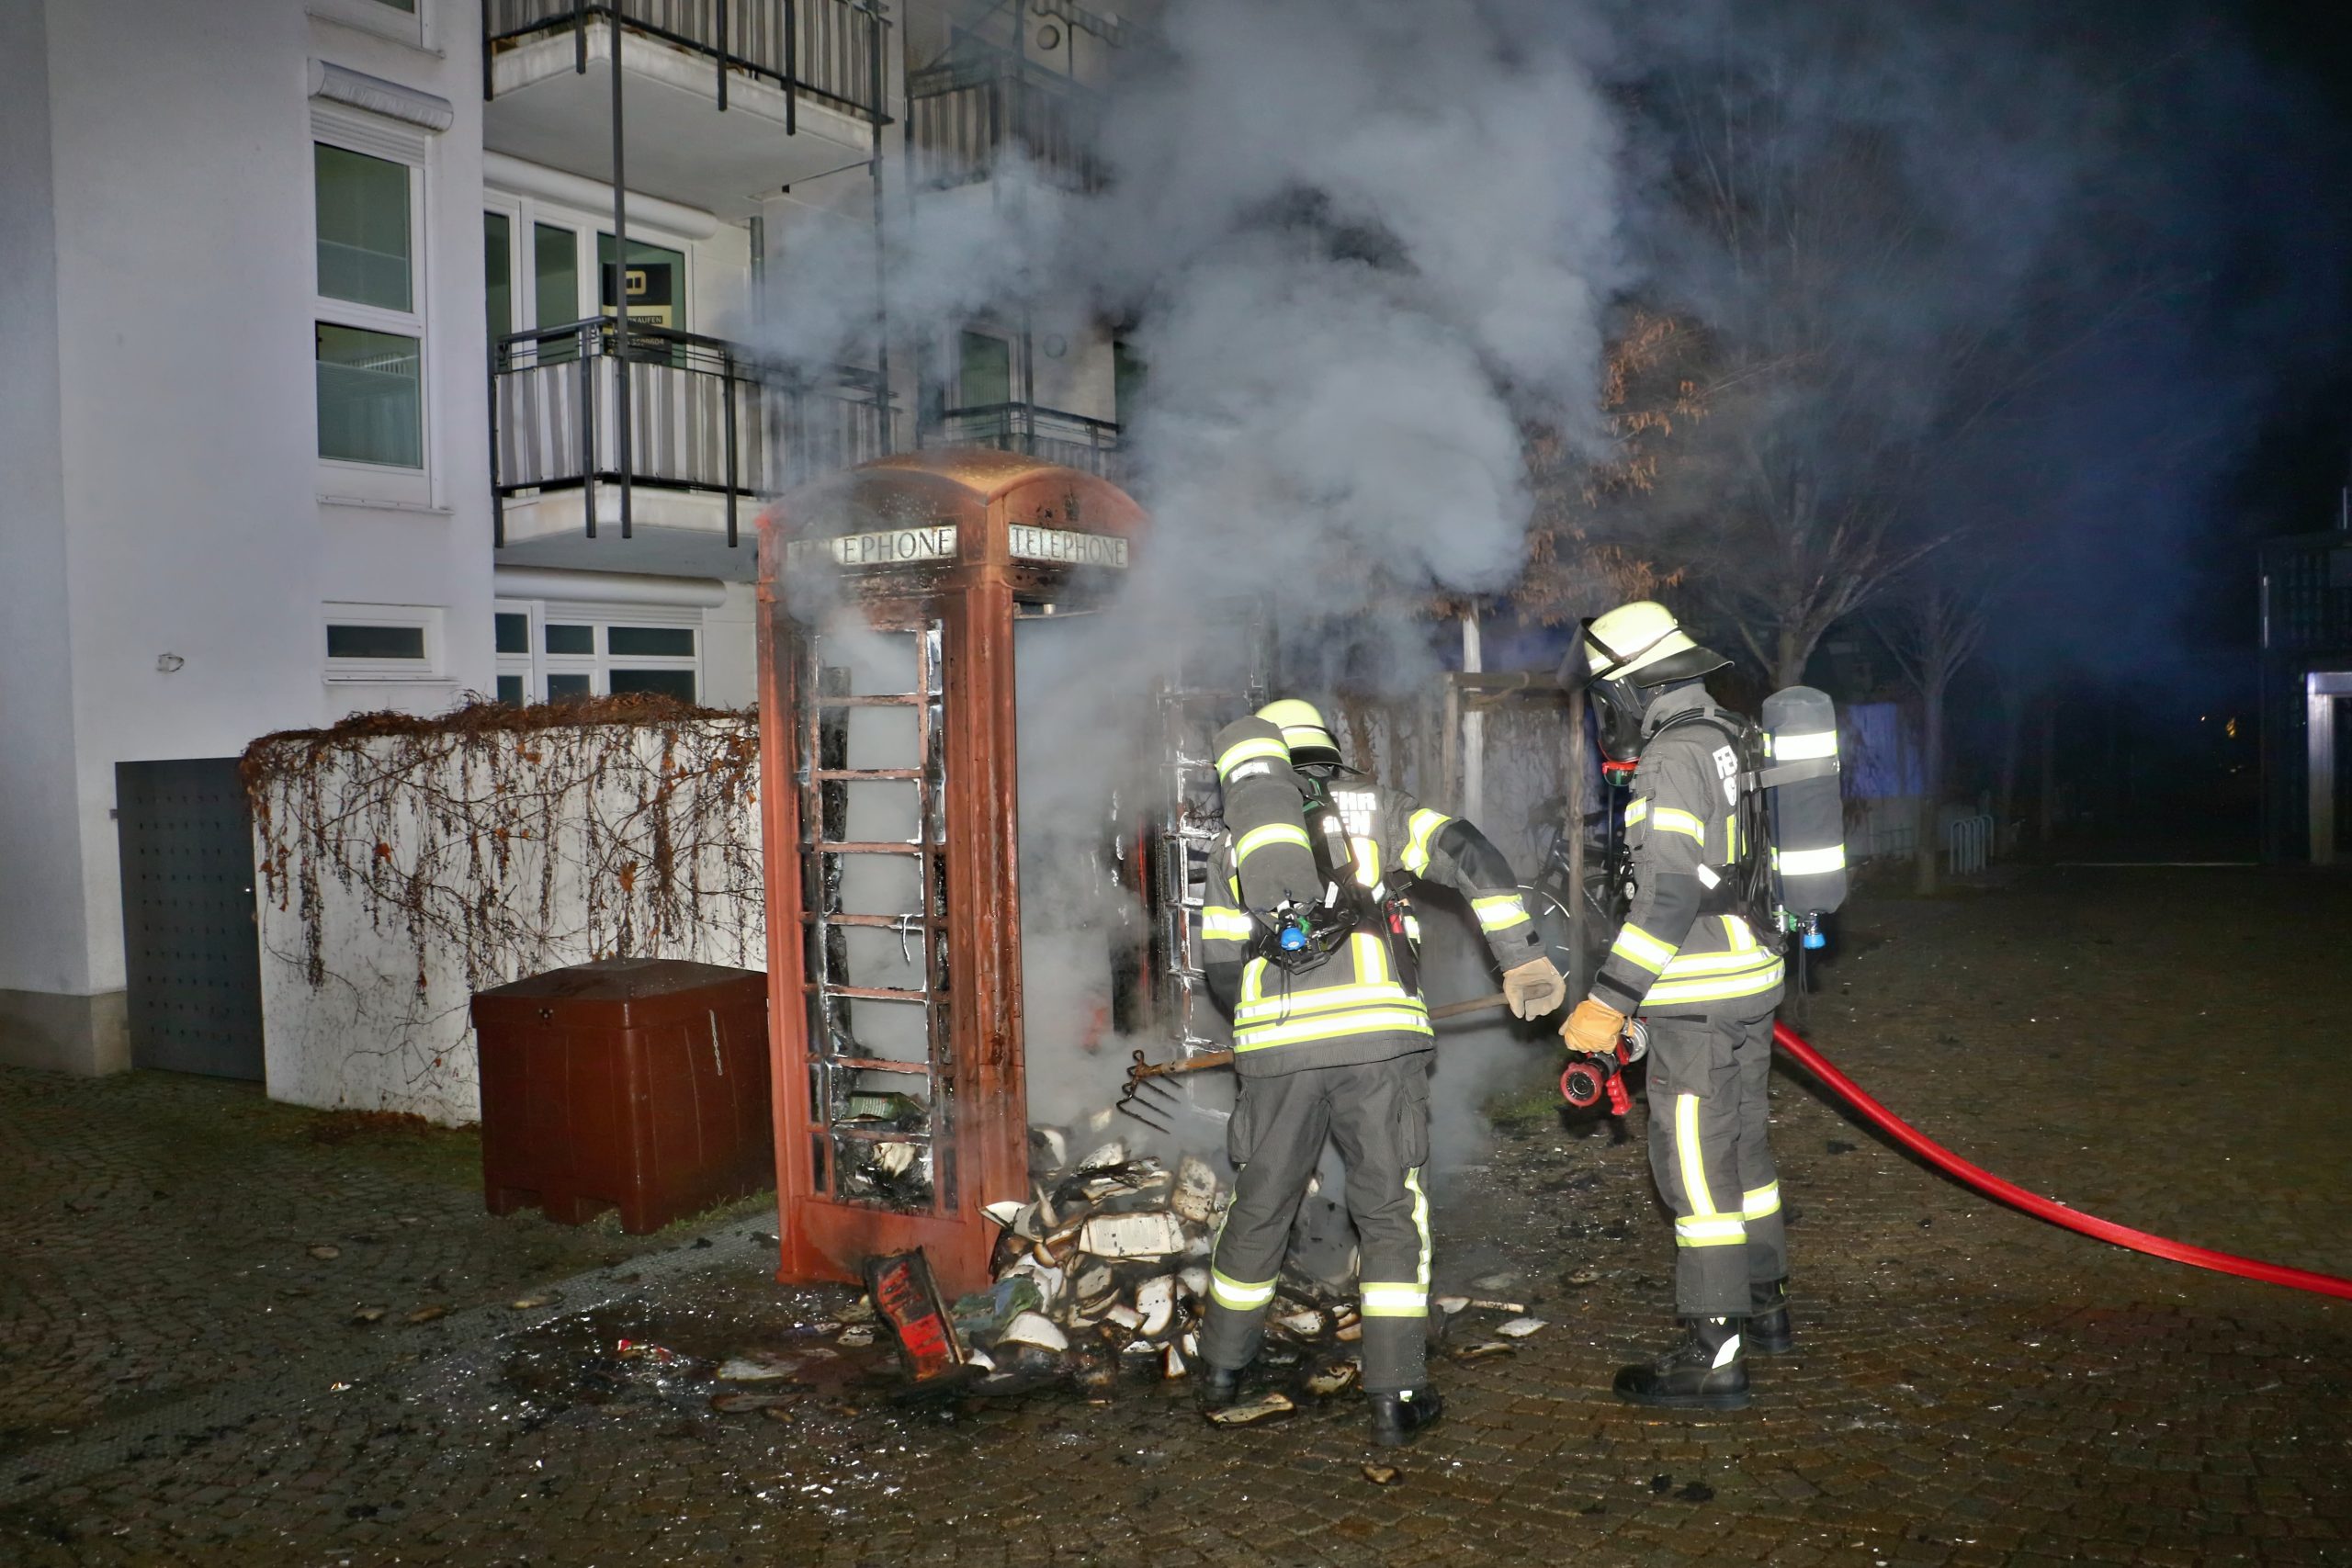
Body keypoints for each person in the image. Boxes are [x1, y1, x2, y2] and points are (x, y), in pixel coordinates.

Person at [1193, 699, 1566, 1446]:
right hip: (1378, 1044)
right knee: (1391, 1210)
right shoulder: (1380, 807)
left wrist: (1271, 1030)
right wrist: (1521, 955)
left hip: (1277, 1048)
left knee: (1260, 1204)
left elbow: (1221, 966)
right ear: (1329, 750)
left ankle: (1222, 1370)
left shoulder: (1236, 836)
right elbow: (1472, 854)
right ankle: (1395, 1395)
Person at [1561, 601, 1792, 1412]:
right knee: (1745, 1148)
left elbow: (1665, 896)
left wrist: (1608, 1004)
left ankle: (1714, 1351)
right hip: (1752, 976)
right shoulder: (1732, 734)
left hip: (1697, 995)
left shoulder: (1669, 757)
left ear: (1629, 689)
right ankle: (1764, 1303)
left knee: (1694, 1165)